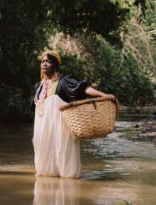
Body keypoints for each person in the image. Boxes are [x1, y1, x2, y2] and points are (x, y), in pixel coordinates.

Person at [32, 50, 114, 178]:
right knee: (43, 152)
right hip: (42, 127)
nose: (45, 64)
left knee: (62, 150)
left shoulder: (64, 80)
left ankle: (67, 182)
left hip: (60, 125)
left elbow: (83, 89)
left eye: (48, 61)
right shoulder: (38, 86)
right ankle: (47, 180)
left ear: (54, 64)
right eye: (43, 61)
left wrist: (103, 95)